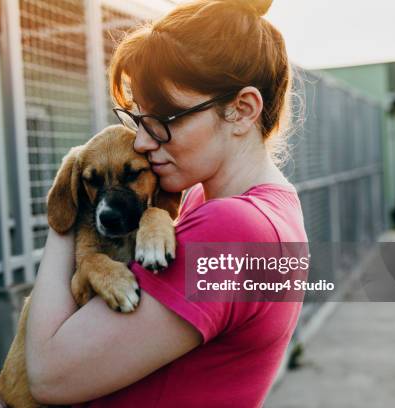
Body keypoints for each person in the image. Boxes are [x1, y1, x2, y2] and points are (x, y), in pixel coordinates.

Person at [24, 0, 308, 407]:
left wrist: (69, 213)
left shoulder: (230, 228)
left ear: (242, 111)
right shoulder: (263, 209)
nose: (141, 141)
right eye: (138, 118)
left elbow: (49, 376)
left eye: (165, 119)